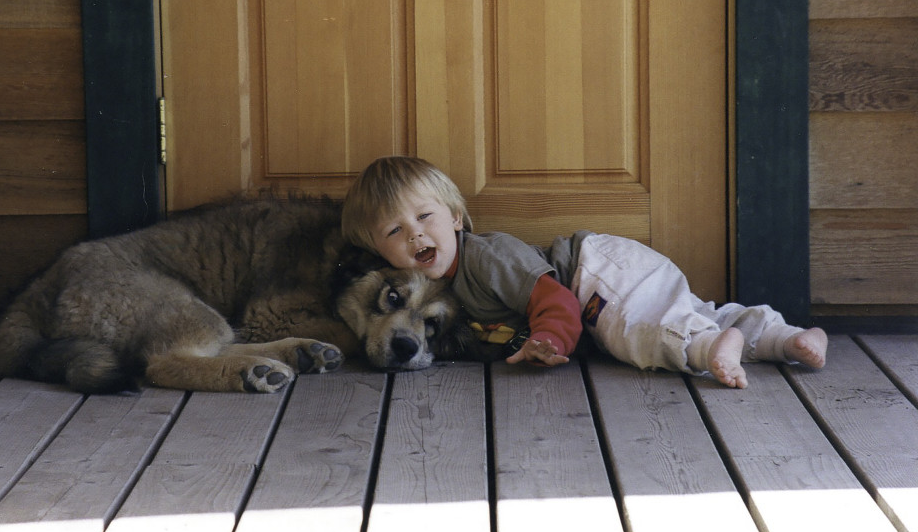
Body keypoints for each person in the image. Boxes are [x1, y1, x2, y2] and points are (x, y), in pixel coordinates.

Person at [341, 156, 827, 388]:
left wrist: (552, 338)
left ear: (455, 218)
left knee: (636, 330)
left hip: (594, 272)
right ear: (381, 255)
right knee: (690, 311)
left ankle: (704, 349)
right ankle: (785, 338)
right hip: (608, 273)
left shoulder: (485, 259)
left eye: (424, 218)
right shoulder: (440, 289)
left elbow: (556, 299)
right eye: (395, 232)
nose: (415, 236)